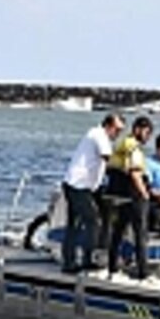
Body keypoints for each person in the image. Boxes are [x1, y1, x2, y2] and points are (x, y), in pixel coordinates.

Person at [61, 113, 123, 273]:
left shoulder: (100, 137)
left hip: (82, 186)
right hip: (77, 185)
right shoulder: (99, 135)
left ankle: (72, 261)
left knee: (75, 225)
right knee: (93, 220)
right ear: (108, 126)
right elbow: (108, 159)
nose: (118, 134)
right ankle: (86, 258)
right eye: (117, 130)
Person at [105, 116, 153, 278]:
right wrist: (145, 195)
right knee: (141, 234)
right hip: (133, 194)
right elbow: (135, 174)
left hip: (119, 193)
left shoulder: (123, 143)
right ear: (138, 129)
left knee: (118, 230)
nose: (148, 137)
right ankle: (143, 272)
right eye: (147, 133)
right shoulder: (133, 148)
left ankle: (112, 266)